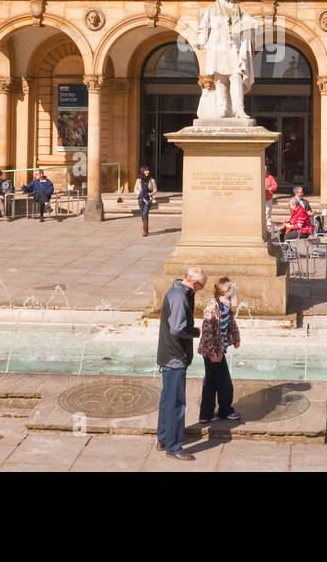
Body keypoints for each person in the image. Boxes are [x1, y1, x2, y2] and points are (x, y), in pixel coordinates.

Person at [157, 267, 206, 461]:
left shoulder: (178, 291)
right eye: (200, 288)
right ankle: (174, 447)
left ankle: (163, 439)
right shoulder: (179, 297)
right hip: (174, 357)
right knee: (176, 404)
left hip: (170, 355)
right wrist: (194, 332)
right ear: (194, 283)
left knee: (167, 401)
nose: (199, 291)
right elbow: (177, 329)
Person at [197, 277, 242, 425]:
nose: (229, 300)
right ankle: (224, 411)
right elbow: (207, 334)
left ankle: (207, 414)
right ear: (218, 295)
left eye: (231, 297)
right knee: (222, 382)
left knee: (212, 381)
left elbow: (231, 323)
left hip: (219, 350)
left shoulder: (226, 307)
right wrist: (212, 355)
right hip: (212, 352)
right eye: (226, 297)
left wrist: (236, 338)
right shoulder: (211, 309)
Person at [135, 165, 157, 236]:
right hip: (141, 199)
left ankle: (145, 230)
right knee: (143, 215)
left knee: (144, 214)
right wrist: (139, 193)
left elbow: (155, 189)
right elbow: (135, 189)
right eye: (145, 170)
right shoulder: (138, 180)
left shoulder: (152, 180)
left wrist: (150, 194)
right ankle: (146, 229)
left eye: (148, 170)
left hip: (148, 200)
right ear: (142, 171)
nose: (147, 172)